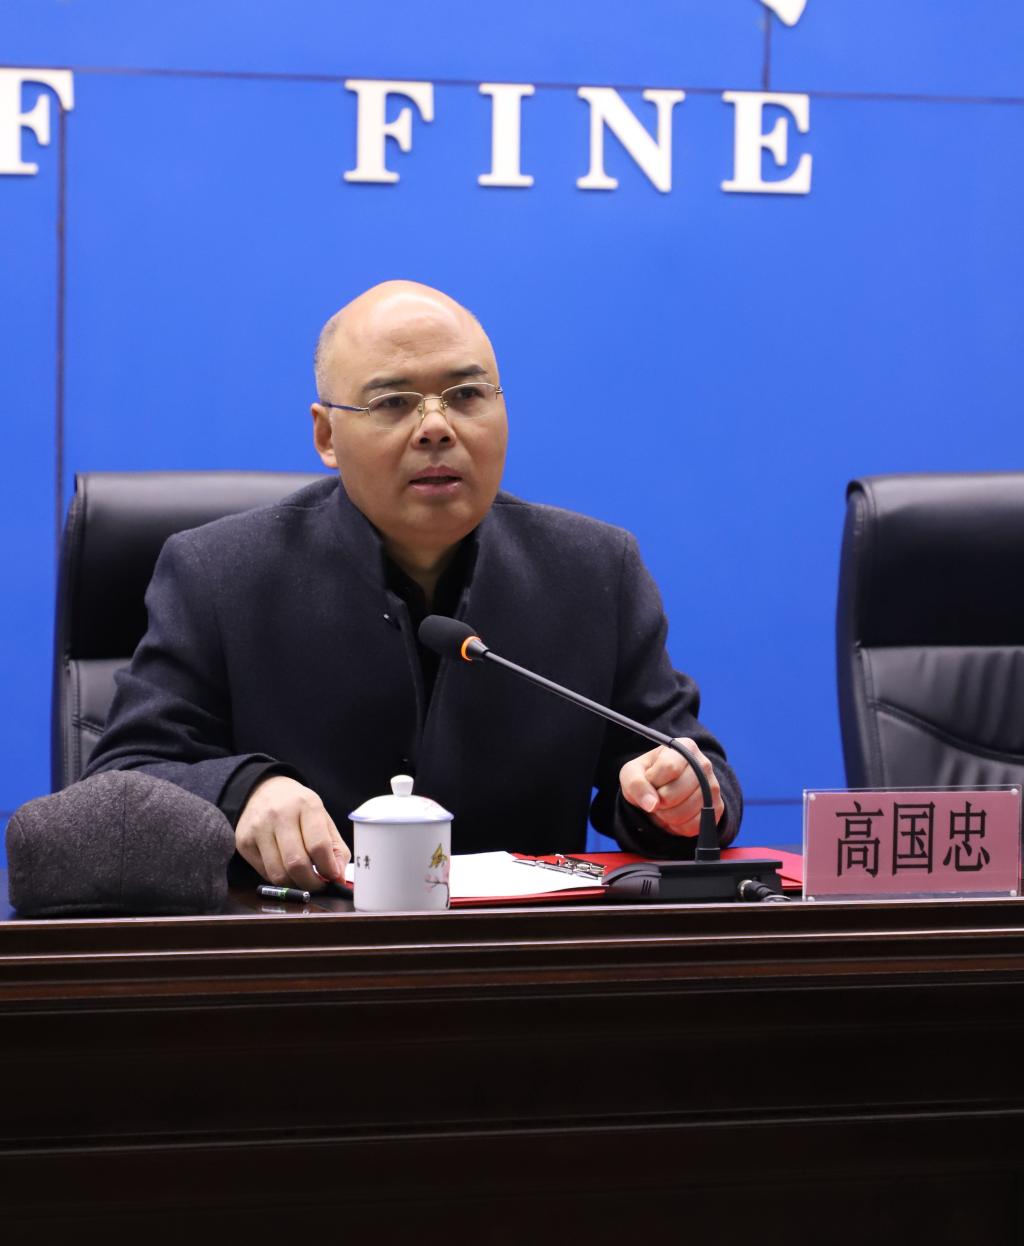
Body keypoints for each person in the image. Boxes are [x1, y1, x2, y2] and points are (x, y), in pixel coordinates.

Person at [85, 281, 742, 891]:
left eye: (467, 395)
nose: (436, 427)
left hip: (525, 958)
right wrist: (245, 791)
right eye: (394, 402)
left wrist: (679, 797)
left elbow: (690, 769)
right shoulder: (219, 574)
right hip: (297, 954)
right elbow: (122, 780)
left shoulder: (593, 571)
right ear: (326, 435)